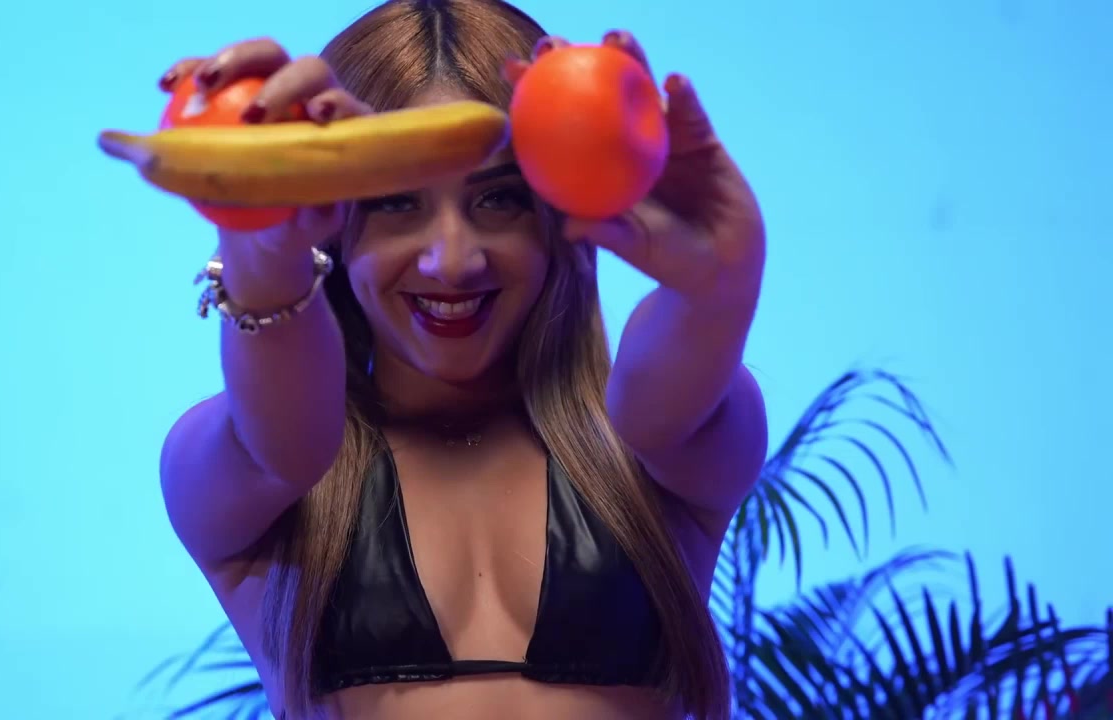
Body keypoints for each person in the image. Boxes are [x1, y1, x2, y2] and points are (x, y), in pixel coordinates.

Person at [157, 0, 768, 718]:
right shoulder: (248, 470)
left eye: (499, 198)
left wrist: (717, 289)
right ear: (337, 223)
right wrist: (263, 244)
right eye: (395, 203)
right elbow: (286, 445)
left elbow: (663, 406)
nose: (452, 260)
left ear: (554, 213)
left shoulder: (657, 450)